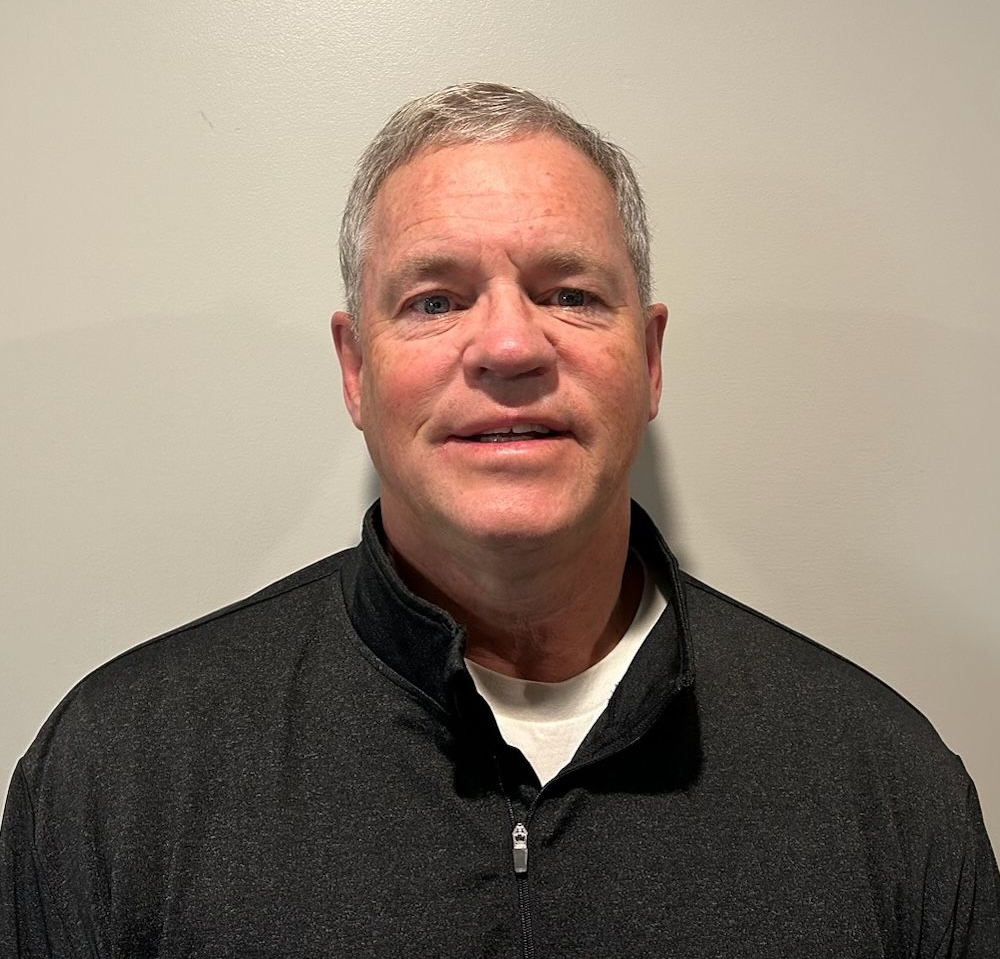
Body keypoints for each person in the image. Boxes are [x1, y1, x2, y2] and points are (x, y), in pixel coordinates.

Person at [2, 82, 997, 957]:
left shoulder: (883, 786)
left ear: (649, 361)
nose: (510, 345)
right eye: (436, 302)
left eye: (569, 293)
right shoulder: (119, 778)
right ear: (356, 369)